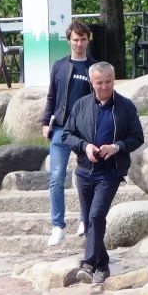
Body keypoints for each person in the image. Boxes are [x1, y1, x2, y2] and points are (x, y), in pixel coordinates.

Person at [60, 62, 144, 292]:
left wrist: (117, 147)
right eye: (99, 83)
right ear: (92, 82)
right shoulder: (81, 105)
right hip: (84, 171)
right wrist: (85, 146)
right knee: (88, 220)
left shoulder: (125, 106)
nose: (104, 86)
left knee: (97, 215)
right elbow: (66, 134)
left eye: (108, 81)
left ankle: (87, 264)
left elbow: (137, 137)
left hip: (110, 172)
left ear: (114, 79)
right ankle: (103, 265)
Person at [41, 20, 97, 247]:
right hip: (61, 129)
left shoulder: (94, 67)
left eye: (83, 39)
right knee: (56, 177)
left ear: (88, 40)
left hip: (85, 132)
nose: (79, 43)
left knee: (86, 177)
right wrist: (46, 121)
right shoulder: (60, 66)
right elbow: (52, 96)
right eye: (75, 39)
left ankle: (85, 219)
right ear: (69, 40)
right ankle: (58, 226)